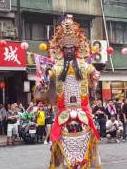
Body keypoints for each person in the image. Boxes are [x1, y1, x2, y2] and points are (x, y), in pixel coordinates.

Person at [34, 15, 101, 168]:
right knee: (62, 141)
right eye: (66, 48)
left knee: (89, 137)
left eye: (72, 48)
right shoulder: (57, 67)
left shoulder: (84, 65)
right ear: (62, 49)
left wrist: (95, 80)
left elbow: (94, 73)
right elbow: (48, 75)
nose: (69, 50)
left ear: (76, 48)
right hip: (64, 111)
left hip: (82, 110)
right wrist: (44, 80)